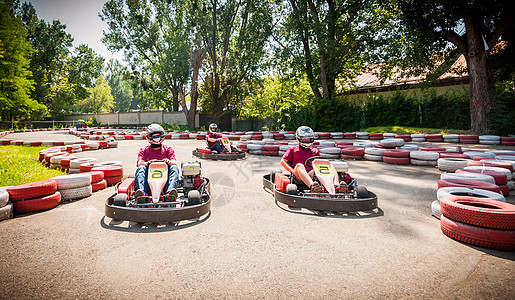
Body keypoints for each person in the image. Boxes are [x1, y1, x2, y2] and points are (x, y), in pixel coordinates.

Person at [280, 126, 346, 193]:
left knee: (330, 165)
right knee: (299, 165)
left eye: (308, 139)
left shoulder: (315, 151)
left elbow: (321, 163)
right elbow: (283, 161)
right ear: (299, 139)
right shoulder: (293, 149)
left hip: (313, 174)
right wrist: (293, 171)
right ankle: (313, 187)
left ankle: (337, 186)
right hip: (298, 176)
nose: (307, 141)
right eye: (304, 139)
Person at [134, 124, 179, 198]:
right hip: (148, 181)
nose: (156, 138)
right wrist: (147, 163)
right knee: (141, 168)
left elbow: (174, 162)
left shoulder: (168, 149)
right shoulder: (144, 150)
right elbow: (140, 163)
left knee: (174, 168)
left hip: (165, 180)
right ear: (149, 137)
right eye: (154, 136)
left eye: (158, 136)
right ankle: (142, 195)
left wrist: (168, 161)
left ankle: (170, 194)